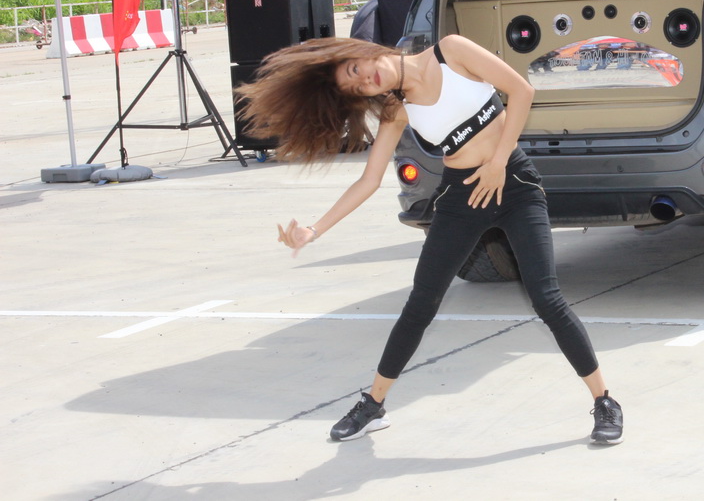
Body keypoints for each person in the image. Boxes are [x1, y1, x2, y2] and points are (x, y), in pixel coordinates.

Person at [236, 34, 624, 445]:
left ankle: (605, 401)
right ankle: (373, 405)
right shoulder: (395, 109)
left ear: (362, 52)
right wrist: (314, 230)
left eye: (356, 70)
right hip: (461, 197)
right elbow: (368, 180)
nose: (365, 80)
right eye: (357, 87)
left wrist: (497, 163)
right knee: (421, 303)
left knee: (546, 297)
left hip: (514, 184)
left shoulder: (451, 51)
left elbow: (521, 91)